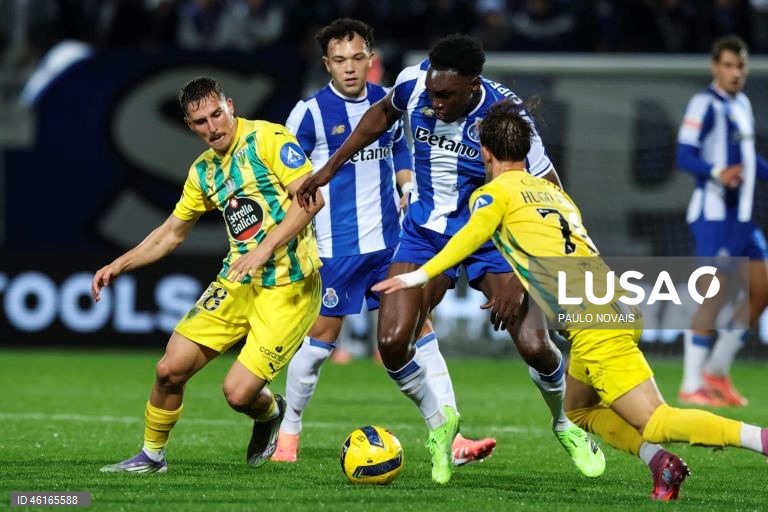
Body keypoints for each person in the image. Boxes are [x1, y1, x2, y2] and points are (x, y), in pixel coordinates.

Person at [373, 99, 768, 501]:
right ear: (527, 154)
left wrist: (418, 275)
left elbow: (466, 240)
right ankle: (659, 463)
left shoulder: (491, 196)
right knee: (580, 410)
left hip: (594, 324)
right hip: (615, 305)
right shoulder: (555, 194)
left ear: (486, 154)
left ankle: (760, 439)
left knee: (658, 419)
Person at [297, 34, 604, 484]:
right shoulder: (414, 85)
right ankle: (441, 422)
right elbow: (379, 117)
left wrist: (522, 274)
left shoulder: (505, 117)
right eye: (433, 93)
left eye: (447, 95)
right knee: (393, 342)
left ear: (473, 84)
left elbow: (546, 192)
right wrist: (329, 169)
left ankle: (566, 424)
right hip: (424, 234)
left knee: (535, 345)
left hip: (493, 238)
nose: (436, 102)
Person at [271, 18, 495, 466]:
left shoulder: (393, 101)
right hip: (335, 245)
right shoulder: (308, 113)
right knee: (319, 344)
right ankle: (289, 433)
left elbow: (399, 150)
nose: (350, 68)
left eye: (358, 58)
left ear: (371, 59)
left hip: (392, 242)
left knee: (419, 328)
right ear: (326, 65)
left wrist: (407, 182)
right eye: (339, 60)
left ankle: (449, 434)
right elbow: (288, 175)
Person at [91, 76, 324, 473]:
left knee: (237, 394)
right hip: (237, 282)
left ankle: (268, 414)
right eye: (201, 122)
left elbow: (311, 198)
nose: (213, 126)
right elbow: (170, 234)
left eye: (217, 114)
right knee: (169, 369)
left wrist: (264, 249)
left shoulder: (268, 139)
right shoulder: (203, 172)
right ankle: (152, 456)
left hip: (289, 288)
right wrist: (119, 264)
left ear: (230, 106)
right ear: (189, 125)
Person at [676, 35, 768, 407]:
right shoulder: (704, 103)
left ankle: (716, 369)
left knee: (762, 290)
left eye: (741, 65)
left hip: (743, 218)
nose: (735, 72)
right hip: (714, 216)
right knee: (714, 295)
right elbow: (684, 155)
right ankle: (690, 382)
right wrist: (717, 171)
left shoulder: (742, 103)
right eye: (728, 65)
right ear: (716, 66)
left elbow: (747, 161)